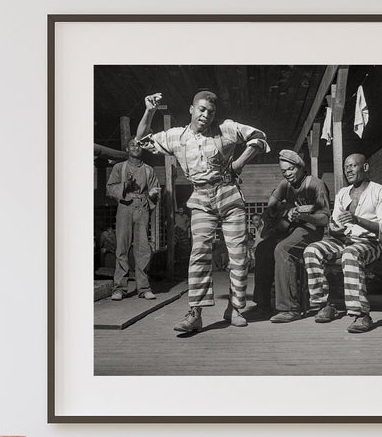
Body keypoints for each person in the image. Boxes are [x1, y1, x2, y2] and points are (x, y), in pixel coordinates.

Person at [134, 90, 270, 336]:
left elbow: (259, 138)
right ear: (191, 109)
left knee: (238, 255)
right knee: (199, 253)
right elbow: (141, 139)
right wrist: (149, 110)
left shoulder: (226, 129)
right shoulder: (176, 137)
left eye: (211, 112)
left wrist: (239, 162)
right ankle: (195, 313)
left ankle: (235, 309)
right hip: (200, 198)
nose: (206, 115)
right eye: (202, 109)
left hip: (229, 195)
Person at [303, 153, 382, 333]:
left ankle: (361, 314)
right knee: (312, 250)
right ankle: (324, 305)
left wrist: (357, 220)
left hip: (369, 243)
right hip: (343, 240)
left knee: (350, 253)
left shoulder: (380, 191)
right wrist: (334, 227)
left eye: (352, 166)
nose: (348, 170)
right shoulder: (343, 193)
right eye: (346, 167)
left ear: (365, 167)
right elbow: (336, 222)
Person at [253, 150, 331, 323]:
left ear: (301, 167)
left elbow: (324, 218)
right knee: (263, 248)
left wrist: (304, 216)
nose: (287, 174)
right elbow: (270, 209)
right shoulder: (284, 185)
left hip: (311, 230)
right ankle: (262, 305)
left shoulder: (316, 184)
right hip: (290, 230)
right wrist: (285, 210)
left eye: (291, 169)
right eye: (284, 171)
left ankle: (289, 308)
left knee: (283, 249)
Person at [105, 138, 162, 300]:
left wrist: (153, 194)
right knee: (122, 247)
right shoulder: (119, 167)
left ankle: (143, 288)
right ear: (127, 149)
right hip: (124, 206)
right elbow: (110, 188)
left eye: (138, 145)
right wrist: (125, 187)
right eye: (132, 145)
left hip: (142, 207)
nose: (136, 147)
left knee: (143, 249)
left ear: (142, 149)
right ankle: (119, 289)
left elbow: (155, 188)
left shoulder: (149, 170)